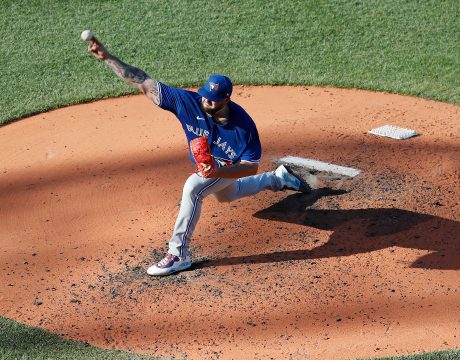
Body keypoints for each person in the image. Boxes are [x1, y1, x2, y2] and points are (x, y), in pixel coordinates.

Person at [86, 35, 308, 276]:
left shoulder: (243, 128)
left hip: (226, 166)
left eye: (212, 100)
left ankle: (178, 254)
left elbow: (249, 166)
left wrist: (218, 171)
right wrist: (108, 58)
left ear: (226, 99)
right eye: (204, 95)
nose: (205, 101)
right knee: (227, 195)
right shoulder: (188, 102)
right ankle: (277, 178)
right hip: (216, 169)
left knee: (194, 187)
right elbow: (143, 82)